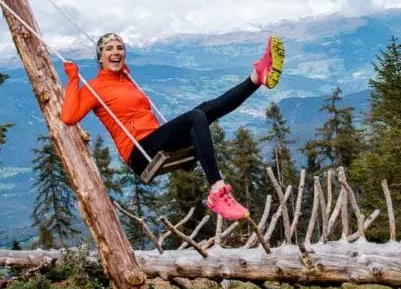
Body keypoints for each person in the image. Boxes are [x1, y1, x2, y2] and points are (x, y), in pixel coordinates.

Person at [61, 33, 285, 221]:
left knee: (207, 110)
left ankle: (256, 77)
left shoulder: (126, 80)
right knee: (196, 116)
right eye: (109, 48)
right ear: (100, 57)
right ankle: (217, 190)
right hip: (139, 152)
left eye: (120, 47)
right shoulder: (94, 88)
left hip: (156, 142)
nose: (116, 52)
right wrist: (73, 79)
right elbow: (70, 116)